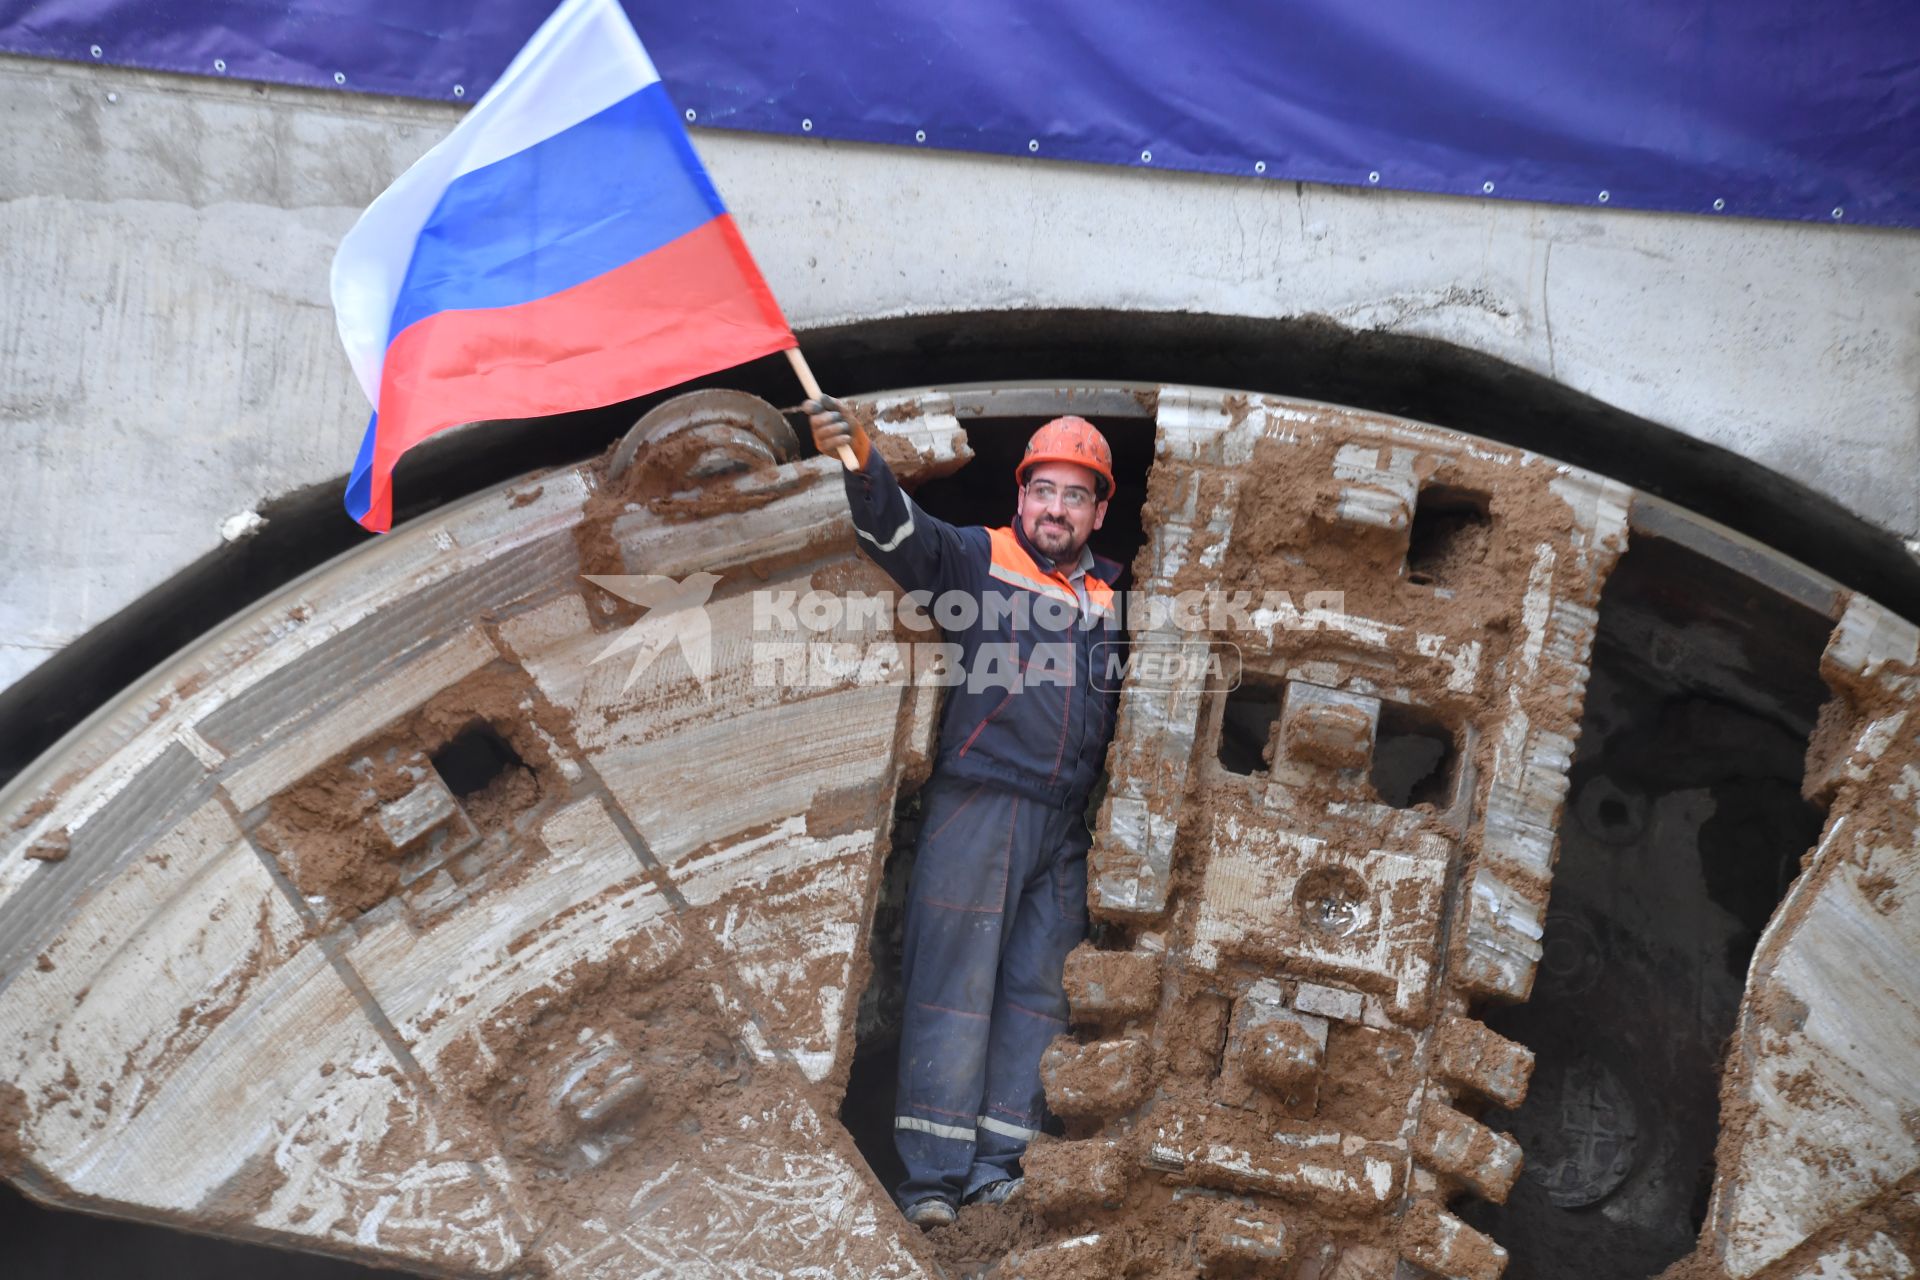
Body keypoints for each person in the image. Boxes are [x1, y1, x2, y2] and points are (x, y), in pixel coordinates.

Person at [805, 398, 1126, 1228]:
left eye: (1075, 496)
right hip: (980, 799)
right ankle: (932, 1184)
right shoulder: (981, 559)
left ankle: (996, 1170)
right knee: (954, 991)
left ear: (1099, 509)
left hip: (1062, 824)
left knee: (1037, 995)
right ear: (1021, 497)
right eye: (1043, 491)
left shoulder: (1108, 597)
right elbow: (899, 535)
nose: (1055, 509)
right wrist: (860, 460)